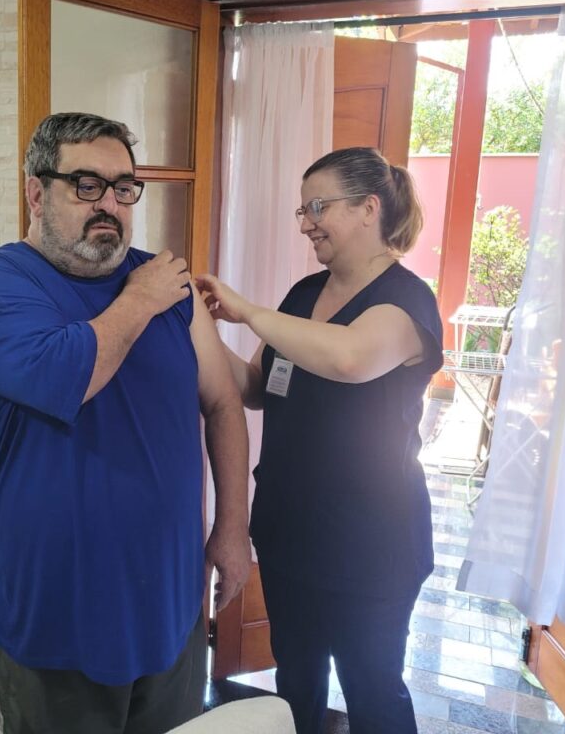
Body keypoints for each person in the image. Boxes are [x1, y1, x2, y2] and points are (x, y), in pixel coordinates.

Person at [0, 112, 251, 734]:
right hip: (59, 615)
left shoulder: (169, 284)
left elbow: (223, 402)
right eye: (86, 185)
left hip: (170, 603)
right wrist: (139, 299)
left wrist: (232, 527)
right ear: (37, 192)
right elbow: (71, 375)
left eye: (123, 187)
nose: (109, 203)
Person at [196, 147, 442, 734]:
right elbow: (258, 386)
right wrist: (203, 330)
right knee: (296, 681)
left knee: (373, 689)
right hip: (291, 534)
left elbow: (350, 358)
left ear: (367, 209)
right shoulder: (304, 294)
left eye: (318, 206)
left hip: (373, 542)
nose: (306, 221)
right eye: (302, 209)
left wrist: (247, 311)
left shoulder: (407, 302)